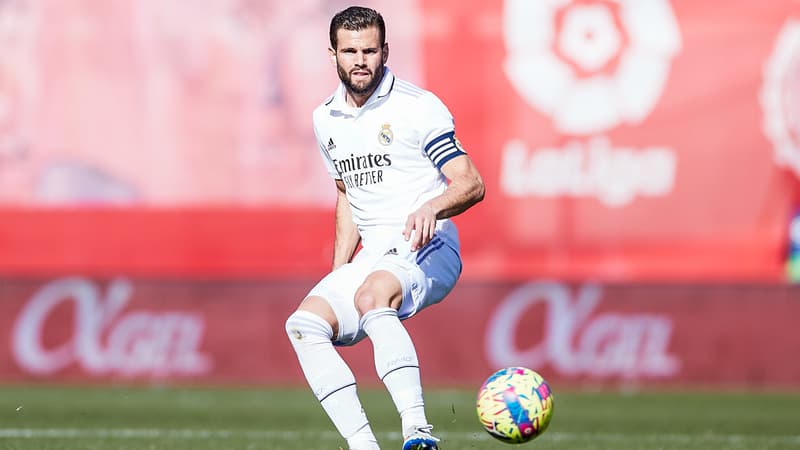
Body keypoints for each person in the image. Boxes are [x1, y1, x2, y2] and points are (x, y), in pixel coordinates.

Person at [285, 6, 485, 450]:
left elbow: (471, 182)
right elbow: (347, 195)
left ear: (385, 52)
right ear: (333, 54)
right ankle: (364, 446)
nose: (360, 61)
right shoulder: (325, 118)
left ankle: (418, 432)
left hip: (429, 244)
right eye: (350, 51)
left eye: (370, 51)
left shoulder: (417, 106)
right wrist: (339, 270)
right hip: (375, 255)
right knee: (304, 325)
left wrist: (433, 206)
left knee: (372, 296)